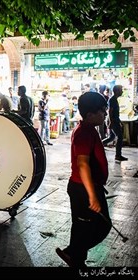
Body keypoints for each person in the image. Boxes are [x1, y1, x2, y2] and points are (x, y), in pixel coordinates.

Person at [56, 91, 111, 267]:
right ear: (90, 115)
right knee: (97, 226)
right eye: (102, 111)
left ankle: (75, 256)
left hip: (86, 187)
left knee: (88, 226)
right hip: (83, 189)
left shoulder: (88, 130)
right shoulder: (85, 133)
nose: (105, 114)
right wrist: (92, 196)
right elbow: (83, 164)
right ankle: (74, 255)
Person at [102, 85, 127, 161]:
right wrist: (111, 122)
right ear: (116, 91)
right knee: (120, 137)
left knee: (111, 137)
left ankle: (97, 145)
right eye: (120, 90)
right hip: (113, 121)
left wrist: (118, 121)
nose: (122, 91)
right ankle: (118, 156)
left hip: (115, 121)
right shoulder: (112, 99)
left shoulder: (114, 99)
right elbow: (110, 111)